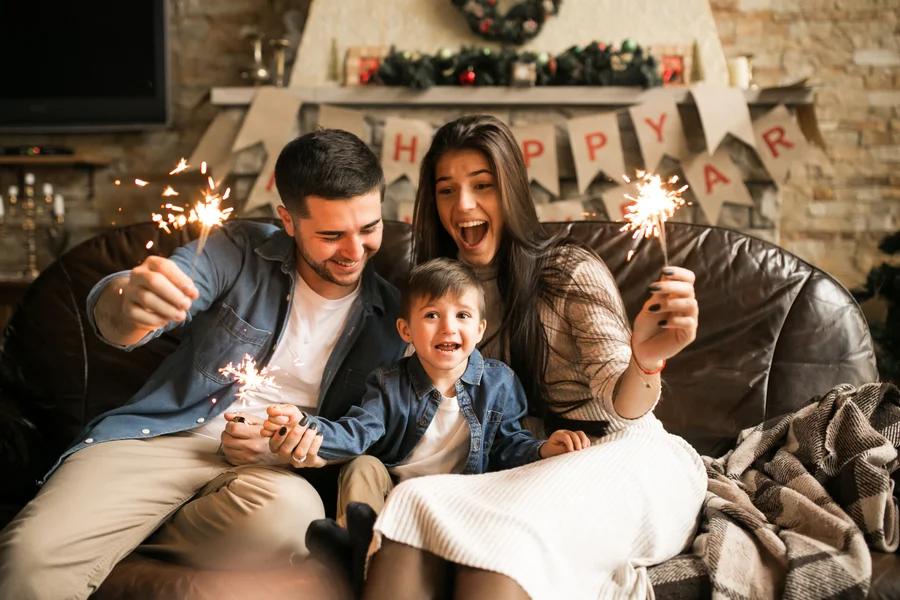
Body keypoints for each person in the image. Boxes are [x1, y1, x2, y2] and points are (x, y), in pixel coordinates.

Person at [0, 129, 407, 600]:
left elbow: (375, 432)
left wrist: (290, 449)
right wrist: (128, 301)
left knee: (290, 521)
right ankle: (106, 523)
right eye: (332, 235)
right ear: (289, 222)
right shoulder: (234, 249)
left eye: (369, 229)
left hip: (269, 475)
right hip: (163, 441)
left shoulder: (395, 320)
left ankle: (125, 530)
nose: (354, 251)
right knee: (28, 560)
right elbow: (124, 313)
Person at [360, 115, 707, 600]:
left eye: (482, 185)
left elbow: (620, 405)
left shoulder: (567, 271)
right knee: (412, 501)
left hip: (618, 452)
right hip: (527, 464)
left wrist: (644, 360)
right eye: (445, 190)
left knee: (500, 546)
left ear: (513, 190)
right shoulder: (437, 293)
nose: (463, 205)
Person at [261, 256, 589, 526]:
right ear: (406, 330)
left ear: (479, 329)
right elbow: (356, 433)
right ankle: (357, 540)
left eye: (462, 315)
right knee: (362, 466)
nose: (448, 327)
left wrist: (545, 449)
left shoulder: (499, 382)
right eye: (432, 315)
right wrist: (306, 426)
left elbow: (509, 445)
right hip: (394, 495)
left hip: (462, 496)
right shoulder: (388, 383)